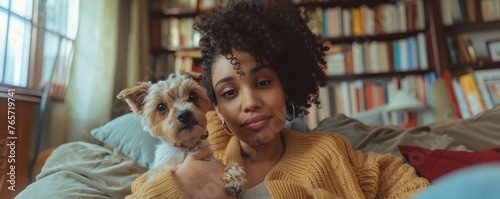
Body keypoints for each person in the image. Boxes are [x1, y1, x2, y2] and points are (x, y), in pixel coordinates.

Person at [126, 0, 429, 198]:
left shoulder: (329, 150)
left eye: (263, 82)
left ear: (287, 85)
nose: (250, 102)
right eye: (230, 93)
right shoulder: (184, 163)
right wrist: (179, 185)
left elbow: (398, 179)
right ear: (216, 109)